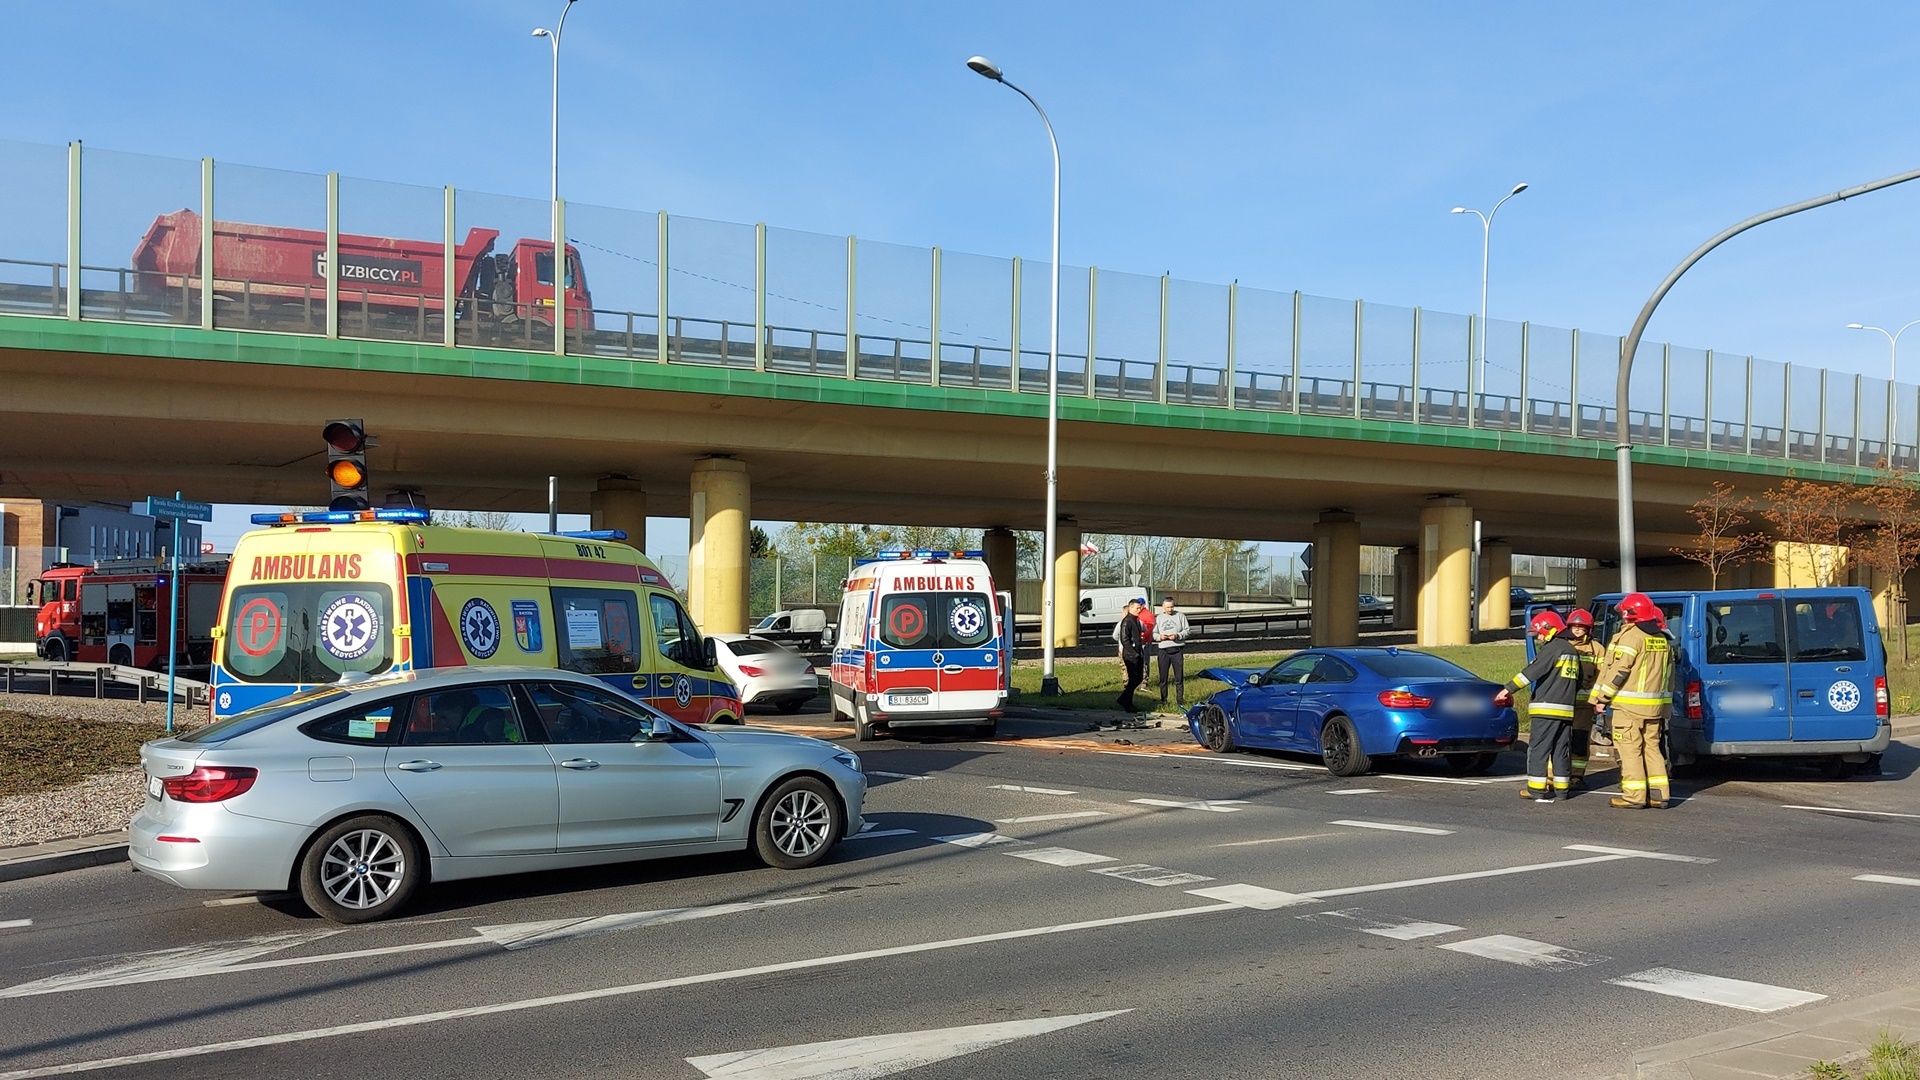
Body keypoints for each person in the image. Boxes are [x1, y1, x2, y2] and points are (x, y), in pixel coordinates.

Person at [1591, 592, 1674, 810]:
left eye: (1625, 612)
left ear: (1631, 614)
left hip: (1628, 708)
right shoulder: (1662, 639)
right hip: (1654, 708)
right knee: (1652, 749)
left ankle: (1634, 796)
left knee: (1630, 751)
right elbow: (1668, 677)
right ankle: (1659, 795)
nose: (1623, 616)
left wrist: (1602, 698)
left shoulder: (1631, 636)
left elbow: (1619, 671)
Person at [1496, 609, 1579, 803]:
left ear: (1550, 630)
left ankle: (1536, 789)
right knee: (1561, 750)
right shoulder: (1571, 650)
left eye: (1540, 633)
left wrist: (1508, 688)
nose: (1540, 637)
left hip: (1547, 708)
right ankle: (1562, 790)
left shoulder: (1553, 648)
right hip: (1566, 709)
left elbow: (1532, 672)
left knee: (1538, 749)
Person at [1564, 609, 1605, 786]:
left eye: (1581, 627)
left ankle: (1576, 776)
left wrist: (1599, 700)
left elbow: (1602, 676)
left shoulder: (1597, 649)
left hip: (1584, 707)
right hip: (1561, 703)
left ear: (1588, 629)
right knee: (1558, 741)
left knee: (1580, 740)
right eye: (1574, 626)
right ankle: (1553, 776)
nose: (1578, 630)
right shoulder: (1561, 645)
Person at [1153, 596, 1192, 706]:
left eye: (1172, 607)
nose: (1170, 609)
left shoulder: (1180, 616)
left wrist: (1177, 635)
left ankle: (1180, 701)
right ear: (1163, 607)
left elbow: (1187, 631)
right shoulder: (1159, 618)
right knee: (1163, 677)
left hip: (1177, 649)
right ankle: (1163, 700)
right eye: (1167, 607)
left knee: (1179, 677)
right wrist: (1160, 637)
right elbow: (1153, 634)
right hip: (1163, 650)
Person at [1115, 597, 1148, 713]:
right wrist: (1133, 653)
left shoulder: (1136, 620)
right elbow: (1124, 639)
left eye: (1140, 608)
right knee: (1134, 678)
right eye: (1137, 608)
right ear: (1130, 608)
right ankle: (1126, 702)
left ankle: (1124, 699)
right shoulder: (1127, 621)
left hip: (1138, 653)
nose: (1139, 610)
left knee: (1138, 678)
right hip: (1130, 655)